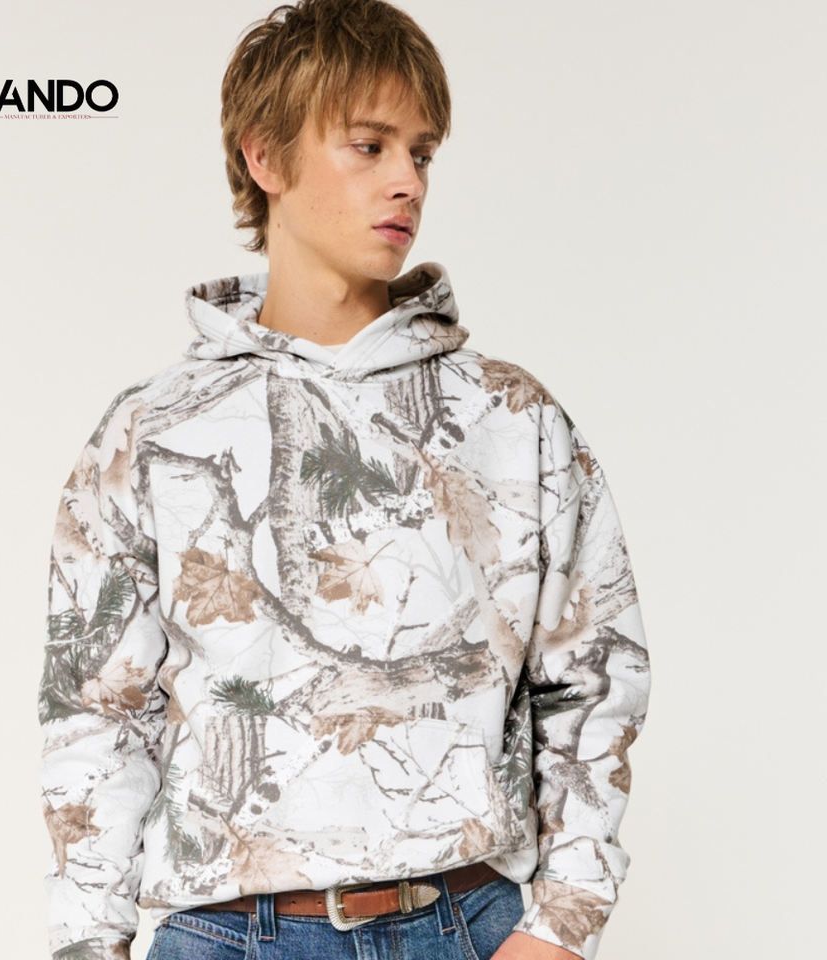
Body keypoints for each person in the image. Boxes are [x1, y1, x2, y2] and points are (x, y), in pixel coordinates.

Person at [39, 2, 650, 959]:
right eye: (369, 146)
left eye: (421, 152)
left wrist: (562, 928)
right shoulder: (151, 433)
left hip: (471, 926)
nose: (407, 180)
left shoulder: (512, 418)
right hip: (232, 936)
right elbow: (96, 716)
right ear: (266, 158)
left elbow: (593, 676)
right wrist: (89, 948)